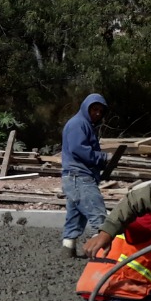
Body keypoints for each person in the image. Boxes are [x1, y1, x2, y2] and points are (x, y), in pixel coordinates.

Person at [61, 93, 110, 257]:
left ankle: (68, 249)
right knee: (99, 215)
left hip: (74, 177)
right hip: (80, 177)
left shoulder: (83, 124)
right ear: (86, 108)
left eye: (100, 111)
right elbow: (79, 149)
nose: (97, 113)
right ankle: (103, 254)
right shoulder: (78, 124)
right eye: (94, 109)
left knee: (75, 217)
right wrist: (102, 158)